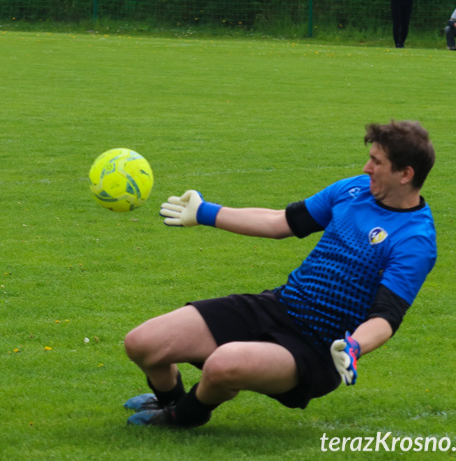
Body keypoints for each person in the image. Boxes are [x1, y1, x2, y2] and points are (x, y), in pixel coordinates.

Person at [123, 120, 436, 428]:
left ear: (405, 174)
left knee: (222, 364)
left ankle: (184, 416)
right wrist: (205, 212)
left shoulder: (415, 240)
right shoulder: (353, 190)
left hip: (317, 348)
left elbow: (386, 318)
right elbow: (280, 222)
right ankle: (169, 401)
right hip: (279, 306)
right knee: (141, 343)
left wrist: (354, 346)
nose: (367, 167)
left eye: (377, 161)